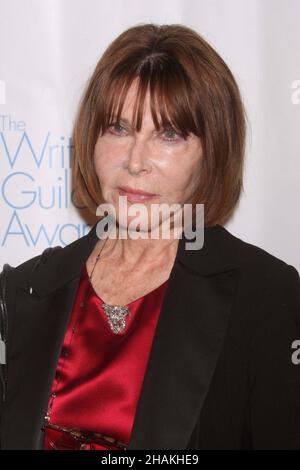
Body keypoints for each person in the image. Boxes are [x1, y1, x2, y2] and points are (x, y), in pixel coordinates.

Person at [1, 22, 300, 451]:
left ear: (212, 152)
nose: (135, 161)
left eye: (169, 134)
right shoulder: (22, 292)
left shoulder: (264, 296)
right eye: (118, 128)